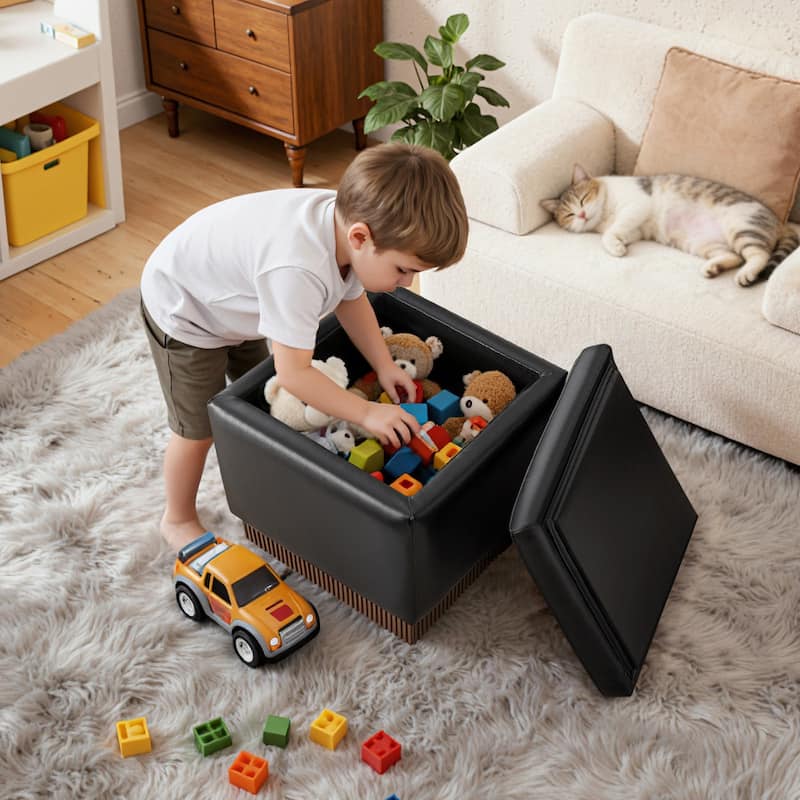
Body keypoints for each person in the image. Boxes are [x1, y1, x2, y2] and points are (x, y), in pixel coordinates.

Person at [140, 142, 469, 551]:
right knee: (197, 429)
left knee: (259, 400)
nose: (407, 283)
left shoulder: (348, 230)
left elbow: (351, 299)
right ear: (360, 237)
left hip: (236, 302)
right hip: (186, 311)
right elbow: (293, 374)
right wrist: (365, 411)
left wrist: (384, 365)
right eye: (403, 270)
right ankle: (177, 517)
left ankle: (259, 465)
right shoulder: (298, 270)